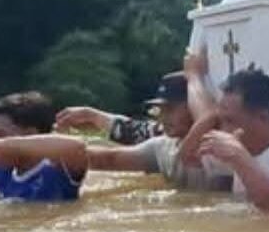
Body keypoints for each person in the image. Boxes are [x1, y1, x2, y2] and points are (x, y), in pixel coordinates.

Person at [186, 67, 269, 218]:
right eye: (221, 121)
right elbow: (189, 157)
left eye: (230, 121)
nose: (223, 130)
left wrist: (240, 159)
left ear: (263, 118)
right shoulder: (247, 150)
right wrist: (194, 77)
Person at [77, 72, 231, 191]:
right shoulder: (162, 148)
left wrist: (193, 75)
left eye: (170, 109)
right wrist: (61, 153)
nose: (163, 117)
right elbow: (109, 159)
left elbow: (209, 116)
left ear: (194, 105)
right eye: (160, 110)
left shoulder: (223, 145)